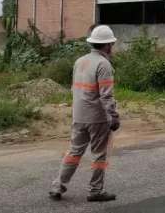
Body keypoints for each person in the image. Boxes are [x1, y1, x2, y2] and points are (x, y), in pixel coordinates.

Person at [49, 25, 120, 202]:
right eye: (111, 44)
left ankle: (58, 186)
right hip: (97, 118)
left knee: (73, 152)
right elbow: (106, 95)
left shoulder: (80, 61)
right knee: (99, 155)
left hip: (79, 115)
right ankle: (96, 191)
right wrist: (114, 115)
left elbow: (75, 89)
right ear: (106, 46)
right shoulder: (104, 64)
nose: (112, 47)